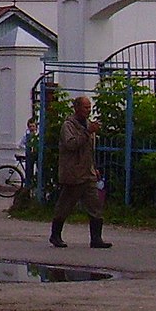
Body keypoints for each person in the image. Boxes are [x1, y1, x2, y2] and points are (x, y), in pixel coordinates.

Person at [50, 95, 112, 249]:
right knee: (65, 205)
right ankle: (55, 235)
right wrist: (86, 132)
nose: (88, 110)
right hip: (73, 173)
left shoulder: (88, 124)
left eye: (89, 107)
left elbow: (89, 150)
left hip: (87, 173)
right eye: (85, 107)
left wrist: (94, 167)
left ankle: (96, 238)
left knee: (95, 205)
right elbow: (71, 144)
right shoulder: (68, 126)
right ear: (76, 108)